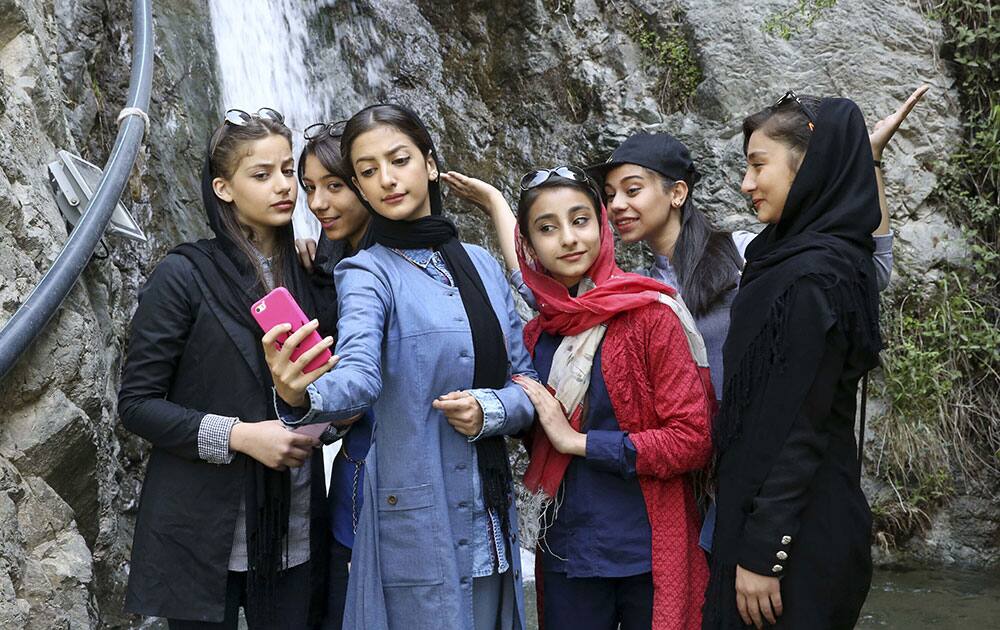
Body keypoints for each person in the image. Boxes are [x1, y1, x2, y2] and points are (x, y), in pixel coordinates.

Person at [262, 103, 537, 630]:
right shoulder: (365, 271)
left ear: (430, 165)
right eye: (367, 171)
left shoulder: (479, 263)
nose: (386, 179)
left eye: (399, 160)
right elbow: (361, 374)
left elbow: (527, 382)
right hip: (418, 518)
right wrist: (302, 395)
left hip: (491, 518)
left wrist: (493, 407)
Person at [118, 108, 344, 629]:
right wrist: (241, 436)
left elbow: (333, 392)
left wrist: (320, 423)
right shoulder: (183, 275)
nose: (284, 186)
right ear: (223, 188)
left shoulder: (316, 277)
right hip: (201, 534)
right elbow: (136, 405)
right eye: (261, 175)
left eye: (289, 171)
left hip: (296, 532)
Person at [703, 94, 884, 629]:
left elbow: (797, 426)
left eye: (759, 165)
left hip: (792, 542)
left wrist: (764, 553)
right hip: (781, 519)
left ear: (809, 168)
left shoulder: (813, 278)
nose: (745, 183)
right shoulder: (804, 258)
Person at [509, 166, 714, 630]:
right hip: (566, 550)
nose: (568, 238)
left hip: (645, 552)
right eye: (547, 228)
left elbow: (693, 439)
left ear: (602, 224)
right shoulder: (536, 335)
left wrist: (578, 442)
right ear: (528, 244)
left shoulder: (651, 315)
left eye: (579, 220)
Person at [296, 119, 375, 630]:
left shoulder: (392, 266)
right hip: (345, 477)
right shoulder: (326, 263)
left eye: (334, 186)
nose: (319, 203)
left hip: (393, 477)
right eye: (309, 189)